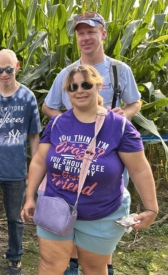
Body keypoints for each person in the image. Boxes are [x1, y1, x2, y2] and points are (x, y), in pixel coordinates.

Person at [21, 65, 158, 275]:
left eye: (86, 84)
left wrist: (151, 208)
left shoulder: (120, 127)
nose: (79, 90)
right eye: (73, 86)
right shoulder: (57, 123)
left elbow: (139, 169)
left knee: (94, 268)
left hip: (101, 213)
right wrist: (30, 197)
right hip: (56, 207)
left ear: (99, 86)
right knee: (50, 265)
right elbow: (39, 161)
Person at [41, 12, 141, 275]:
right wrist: (68, 123)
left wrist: (123, 116)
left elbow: (135, 102)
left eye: (91, 32)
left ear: (103, 34)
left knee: (102, 218)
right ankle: (72, 264)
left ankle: (100, 264)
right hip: (71, 164)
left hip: (109, 163)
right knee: (70, 215)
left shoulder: (121, 70)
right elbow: (49, 106)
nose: (86, 37)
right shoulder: (67, 73)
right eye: (81, 33)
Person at [0, 49, 41, 275]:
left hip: (16, 171)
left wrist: (35, 171)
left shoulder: (28, 97)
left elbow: (34, 136)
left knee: (15, 217)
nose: (4, 74)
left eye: (8, 69)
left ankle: (15, 256)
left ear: (17, 66)